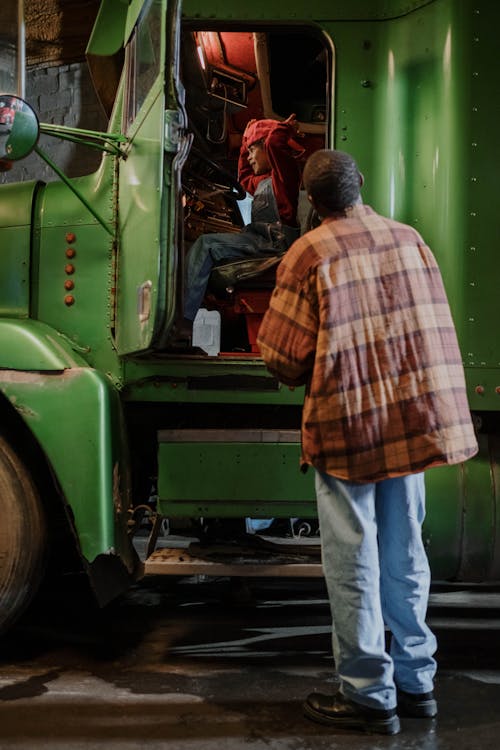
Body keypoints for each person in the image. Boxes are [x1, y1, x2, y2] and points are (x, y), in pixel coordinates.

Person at [256, 149, 478, 735]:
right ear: (360, 190)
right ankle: (417, 683)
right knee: (405, 555)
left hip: (349, 427)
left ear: (311, 201)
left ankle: (367, 694)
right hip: (411, 422)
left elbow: (281, 358)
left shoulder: (310, 251)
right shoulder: (410, 239)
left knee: (353, 557)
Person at [173, 114, 303, 344]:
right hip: (259, 239)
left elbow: (275, 144)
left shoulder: (285, 178)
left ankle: (182, 322)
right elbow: (243, 177)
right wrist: (246, 139)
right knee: (203, 245)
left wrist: (283, 129)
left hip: (275, 243)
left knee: (207, 244)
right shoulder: (260, 182)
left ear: (267, 149)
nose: (250, 157)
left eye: (254, 150)